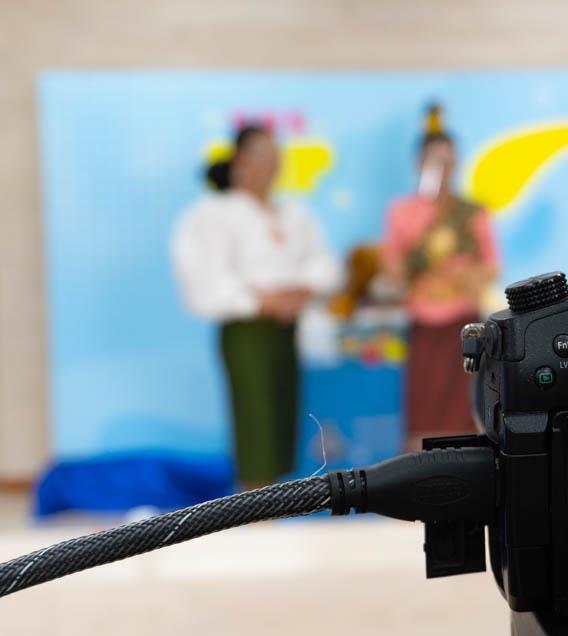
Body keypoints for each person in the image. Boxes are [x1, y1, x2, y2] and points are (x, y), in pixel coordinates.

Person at [171, 125, 341, 487]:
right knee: (255, 423)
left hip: (288, 328)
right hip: (247, 330)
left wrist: (300, 291)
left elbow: (326, 265)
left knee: (283, 422)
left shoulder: (294, 212)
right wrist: (260, 300)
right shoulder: (215, 213)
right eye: (262, 154)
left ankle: (280, 501)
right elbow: (205, 279)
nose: (271, 163)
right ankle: (255, 501)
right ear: (241, 162)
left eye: (275, 155)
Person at [380, 104, 499, 452]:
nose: (442, 169)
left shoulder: (471, 212)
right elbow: (392, 270)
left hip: (464, 327)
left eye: (448, 162)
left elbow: (490, 267)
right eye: (434, 161)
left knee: (464, 414)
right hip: (423, 325)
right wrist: (420, 263)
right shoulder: (403, 212)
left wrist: (461, 276)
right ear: (418, 164)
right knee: (422, 415)